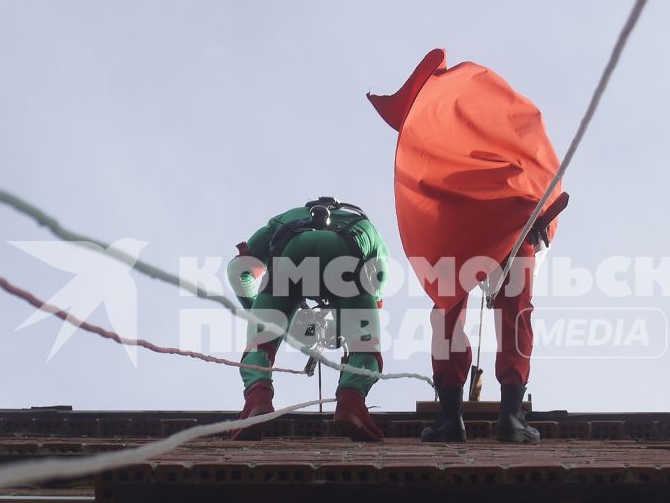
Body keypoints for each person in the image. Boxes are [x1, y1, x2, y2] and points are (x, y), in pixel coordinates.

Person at [368, 49, 565, 445]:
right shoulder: (510, 116)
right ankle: (511, 415)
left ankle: (449, 416)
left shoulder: (442, 129)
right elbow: (541, 164)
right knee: (515, 312)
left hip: (462, 220)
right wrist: (543, 218)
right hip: (517, 215)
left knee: (448, 310)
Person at [228, 198, 387, 443]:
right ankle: (351, 401)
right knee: (366, 345)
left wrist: (260, 314)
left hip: (290, 255)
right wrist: (346, 327)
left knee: (261, 344)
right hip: (346, 256)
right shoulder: (366, 226)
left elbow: (239, 269)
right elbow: (375, 289)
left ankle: (257, 399)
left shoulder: (286, 217)